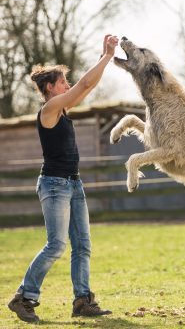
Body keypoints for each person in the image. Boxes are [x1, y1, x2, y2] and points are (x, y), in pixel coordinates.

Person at [8, 34, 119, 323]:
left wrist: (103, 58)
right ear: (49, 88)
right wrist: (106, 56)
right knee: (56, 245)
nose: (67, 86)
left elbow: (87, 86)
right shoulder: (49, 110)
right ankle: (24, 297)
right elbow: (83, 85)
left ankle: (82, 301)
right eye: (62, 83)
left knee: (82, 245)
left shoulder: (63, 109)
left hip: (73, 183)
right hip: (55, 185)